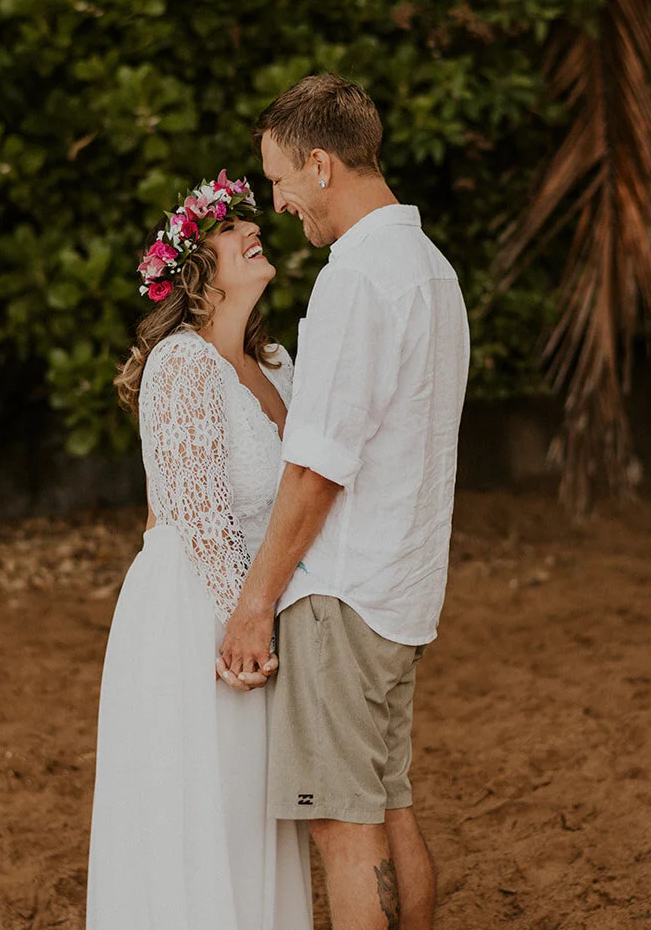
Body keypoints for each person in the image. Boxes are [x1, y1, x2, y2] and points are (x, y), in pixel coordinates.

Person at [219, 74, 470, 930]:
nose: (280, 202)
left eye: (280, 180)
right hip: (402, 589)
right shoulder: (432, 272)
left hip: (343, 592)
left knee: (342, 824)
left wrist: (257, 603)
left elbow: (316, 469)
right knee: (389, 801)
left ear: (320, 165)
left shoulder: (357, 279)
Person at [85, 172, 313, 930]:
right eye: (227, 228)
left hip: (261, 602)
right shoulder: (182, 366)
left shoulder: (278, 363)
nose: (252, 230)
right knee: (206, 810)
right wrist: (247, 630)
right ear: (195, 273)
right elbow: (197, 521)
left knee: (254, 811)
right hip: (197, 618)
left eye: (249, 223)